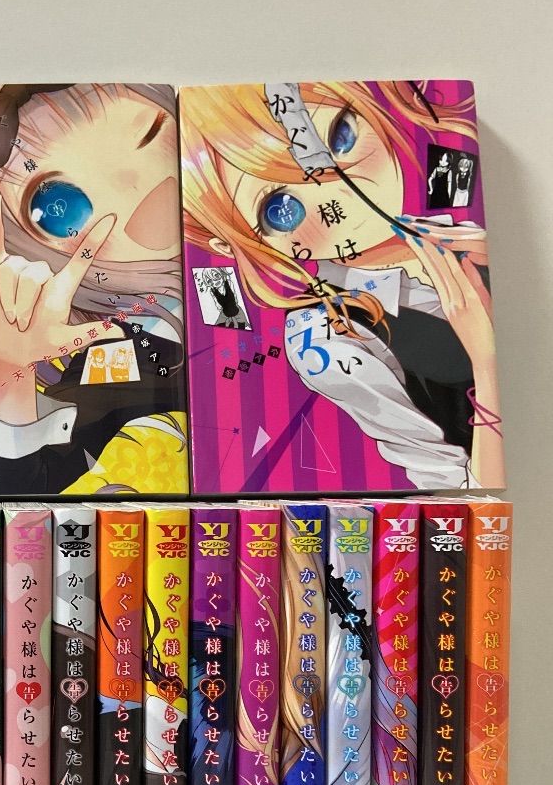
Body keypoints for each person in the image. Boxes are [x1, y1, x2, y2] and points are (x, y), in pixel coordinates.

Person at [180, 81, 503, 490]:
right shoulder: (329, 339)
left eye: (340, 135)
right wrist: (485, 363)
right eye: (280, 210)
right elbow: (461, 492)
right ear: (234, 242)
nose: (338, 191)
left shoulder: (460, 217)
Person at [0, 84, 188, 496]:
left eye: (149, 131)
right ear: (26, 249)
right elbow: (8, 492)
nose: (133, 187)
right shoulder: (122, 351)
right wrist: (9, 379)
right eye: (62, 205)